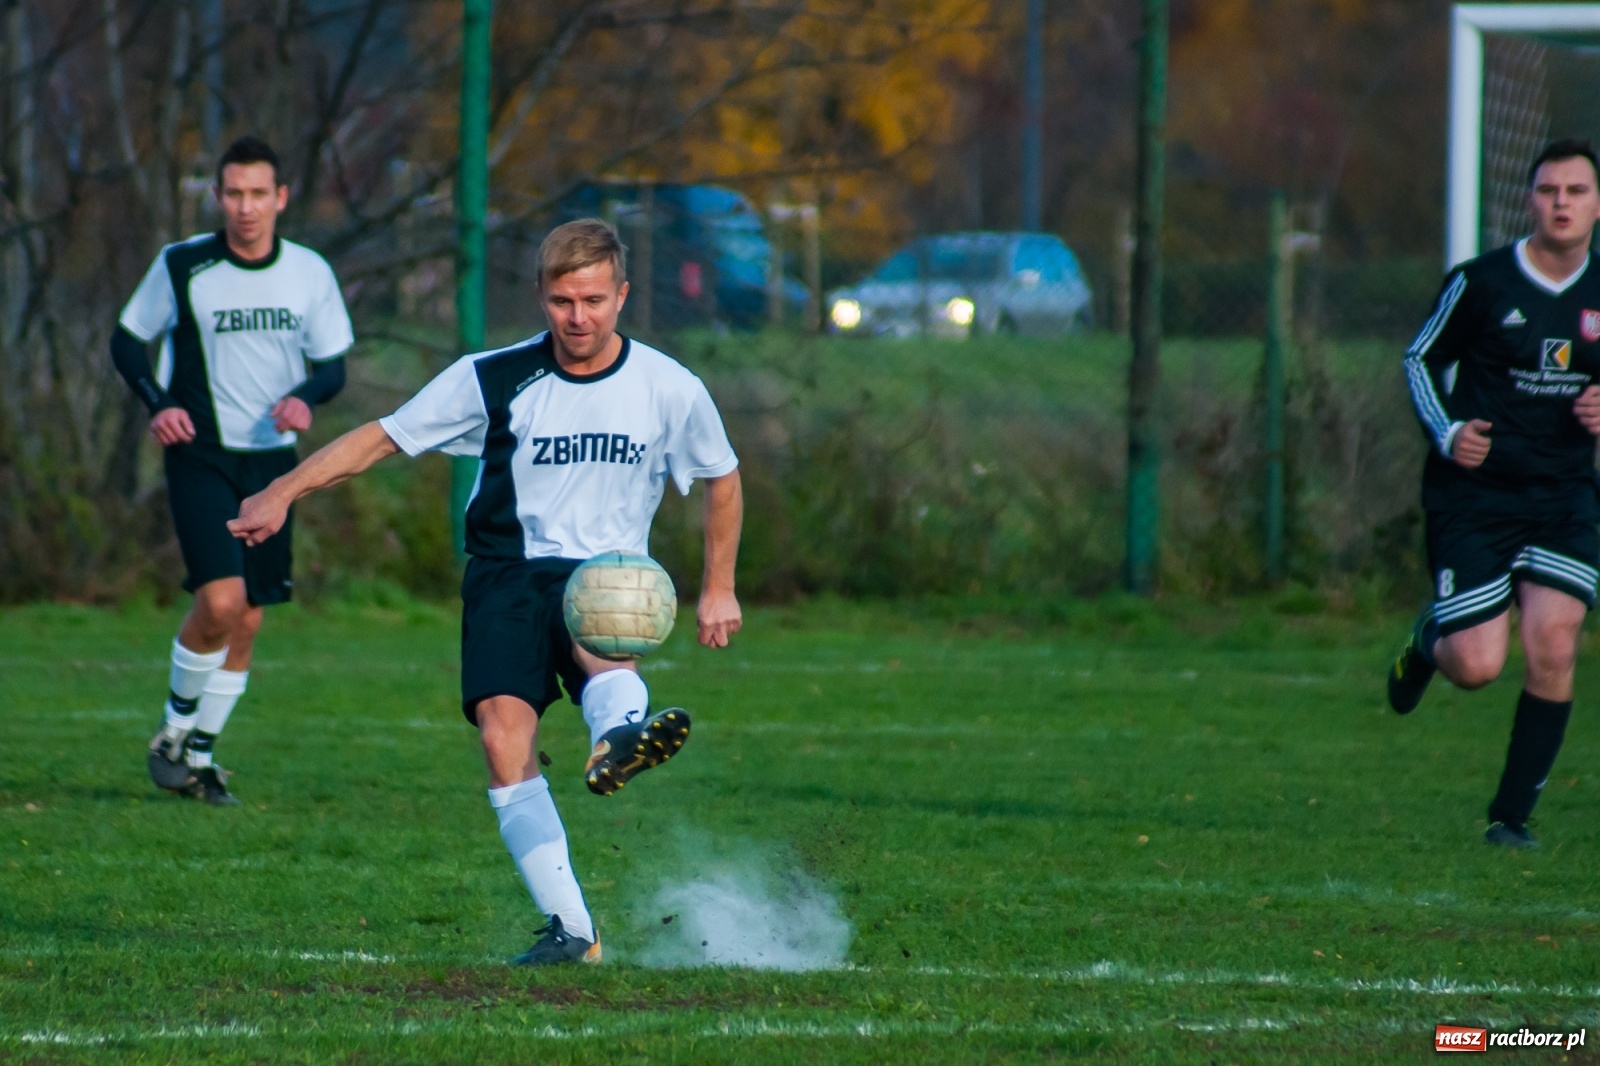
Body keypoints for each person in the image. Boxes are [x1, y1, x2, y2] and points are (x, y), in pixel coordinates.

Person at [227, 218, 743, 965]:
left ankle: (618, 741)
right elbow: (383, 435)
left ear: (623, 296)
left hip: (610, 574)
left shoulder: (669, 387)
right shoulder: (493, 377)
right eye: (563, 300)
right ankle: (573, 930)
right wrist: (283, 490)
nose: (578, 316)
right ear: (540, 295)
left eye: (594, 299)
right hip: (505, 573)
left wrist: (718, 587)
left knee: (602, 644)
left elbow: (722, 477)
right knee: (505, 740)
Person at [113, 136, 353, 806]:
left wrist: (307, 397)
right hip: (198, 453)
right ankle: (172, 730)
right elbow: (127, 341)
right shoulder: (183, 264)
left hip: (272, 464)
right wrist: (158, 406)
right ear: (217, 197)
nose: (246, 207)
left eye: (258, 194)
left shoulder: (309, 272)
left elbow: (332, 364)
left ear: (280, 198)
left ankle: (200, 757)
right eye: (234, 193)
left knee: (248, 619)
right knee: (220, 602)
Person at [1387, 138, 1600, 849]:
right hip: (1476, 496)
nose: (1561, 203)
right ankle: (1429, 638)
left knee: (1553, 638)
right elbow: (1420, 358)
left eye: (1575, 190)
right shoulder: (1481, 282)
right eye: (1548, 191)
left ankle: (1510, 820)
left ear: (1596, 204)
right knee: (1478, 665)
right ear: (1530, 200)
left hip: (1565, 493)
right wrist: (1449, 433)